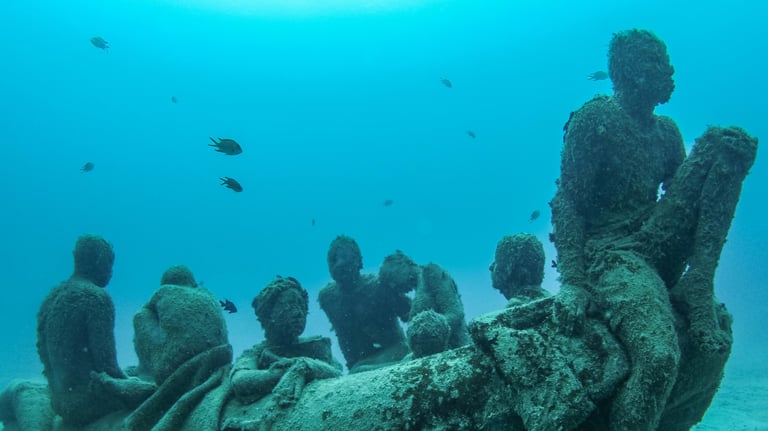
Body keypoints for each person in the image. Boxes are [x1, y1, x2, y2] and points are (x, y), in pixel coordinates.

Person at [550, 29, 757, 430]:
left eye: (667, 61)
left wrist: (728, 162)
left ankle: (700, 282)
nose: (669, 70)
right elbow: (568, 201)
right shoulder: (596, 119)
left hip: (654, 241)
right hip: (613, 254)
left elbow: (685, 201)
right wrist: (574, 281)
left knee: (725, 144)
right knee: (659, 355)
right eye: (657, 62)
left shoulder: (667, 133)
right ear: (629, 70)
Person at [36, 234, 155, 426]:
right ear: (99, 261)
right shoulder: (96, 298)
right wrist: (138, 385)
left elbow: (44, 355)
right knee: (163, 392)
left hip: (60, 403)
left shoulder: (52, 298)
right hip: (89, 403)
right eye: (109, 264)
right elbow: (107, 366)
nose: (111, 272)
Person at [225, 276, 341, 430]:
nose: (299, 313)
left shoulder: (315, 347)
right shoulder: (256, 353)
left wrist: (305, 367)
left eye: (302, 306)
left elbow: (337, 372)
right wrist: (282, 372)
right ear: (268, 314)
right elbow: (240, 379)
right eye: (289, 304)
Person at [318, 236, 411, 372]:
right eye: (333, 259)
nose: (339, 264)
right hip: (358, 363)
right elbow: (344, 337)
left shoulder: (379, 287)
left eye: (344, 257)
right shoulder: (328, 298)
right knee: (357, 369)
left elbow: (412, 314)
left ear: (358, 261)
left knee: (358, 370)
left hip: (395, 352)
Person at [489, 233, 549, 307]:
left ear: (510, 268)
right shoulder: (551, 301)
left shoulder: (516, 308)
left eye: (497, 261)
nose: (490, 266)